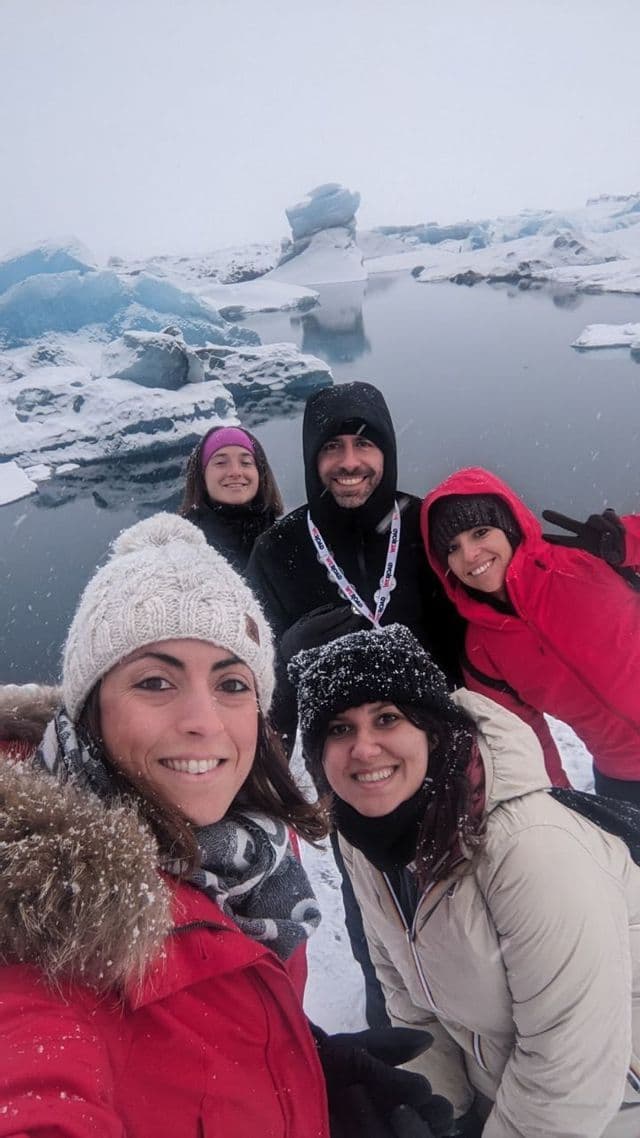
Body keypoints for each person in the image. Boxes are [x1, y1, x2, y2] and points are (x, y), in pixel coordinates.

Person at [0, 515, 452, 1138]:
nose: (205, 721)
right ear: (88, 712)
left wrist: (294, 1072)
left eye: (232, 684)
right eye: (155, 681)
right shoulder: (42, 931)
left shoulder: (245, 862)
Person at [289, 623, 640, 1138]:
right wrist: (438, 1114)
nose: (363, 748)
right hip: (502, 1091)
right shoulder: (366, 838)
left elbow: (570, 1067)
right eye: (339, 729)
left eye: (387, 718)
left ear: (432, 731)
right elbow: (409, 1001)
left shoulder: (530, 848)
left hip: (613, 1105)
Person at [248, 380, 464, 1028]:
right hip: (350, 763)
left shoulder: (423, 525)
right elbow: (256, 693)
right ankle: (392, 1029)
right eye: (332, 447)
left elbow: (487, 621)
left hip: (442, 755)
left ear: (387, 451)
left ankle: (469, 1024)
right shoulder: (280, 550)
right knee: (375, 907)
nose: (349, 462)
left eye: (365, 445)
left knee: (465, 902)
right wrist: (286, 653)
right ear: (312, 457)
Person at [421, 466, 640, 800]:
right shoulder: (482, 652)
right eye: (452, 547)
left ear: (509, 526)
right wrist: (564, 803)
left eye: (480, 532)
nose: (470, 555)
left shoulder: (585, 559)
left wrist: (629, 543)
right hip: (624, 783)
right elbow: (527, 743)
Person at [180, 424, 284, 573]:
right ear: (201, 476)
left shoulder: (286, 540)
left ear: (260, 473)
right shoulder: (181, 547)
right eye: (221, 463)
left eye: (246, 462)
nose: (235, 472)